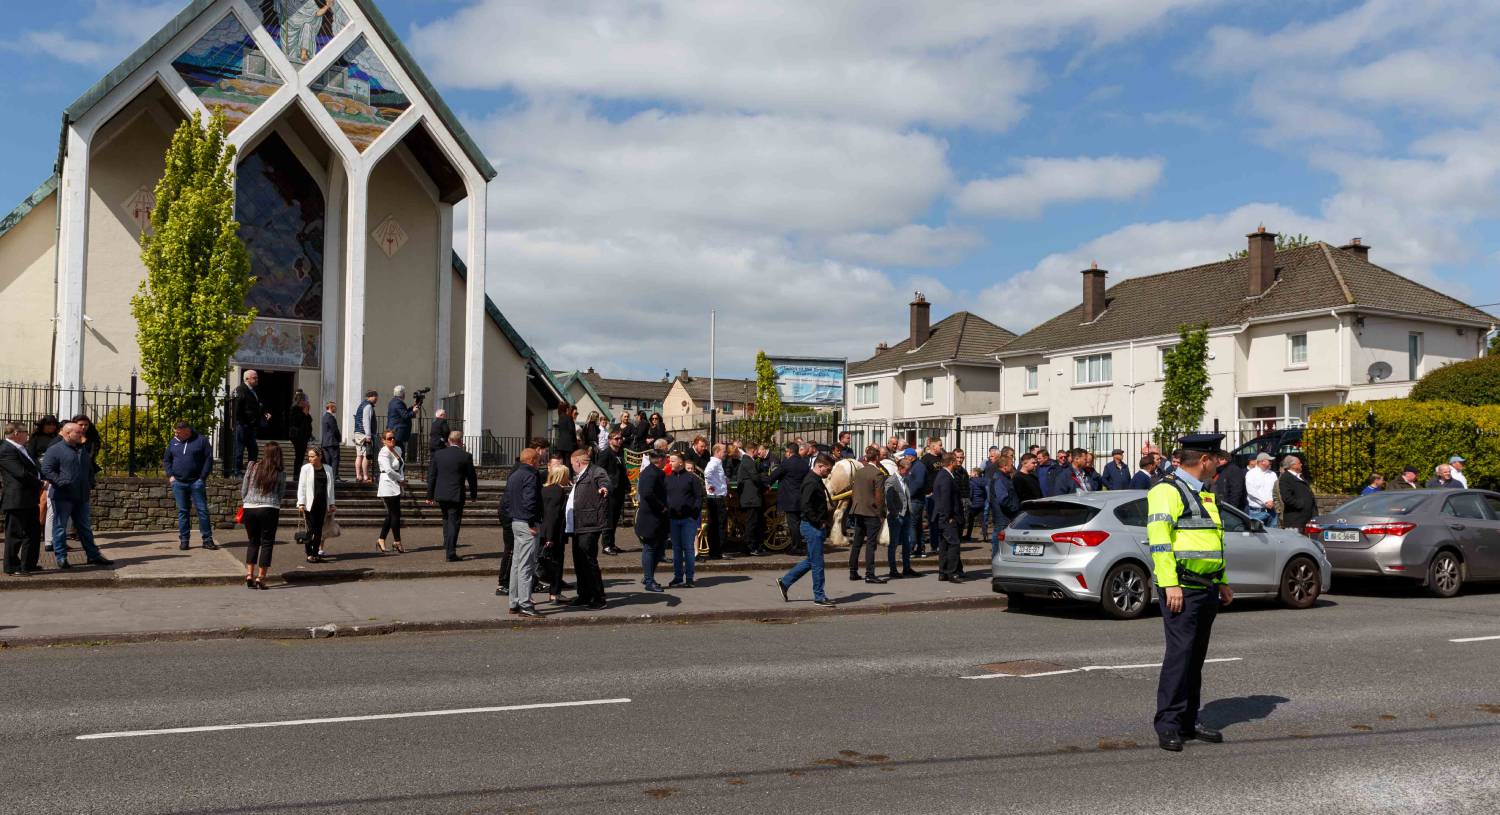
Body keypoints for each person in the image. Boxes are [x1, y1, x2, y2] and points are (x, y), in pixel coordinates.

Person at [1147, 433, 1233, 753]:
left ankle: (1188, 720)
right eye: (1216, 459)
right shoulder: (1167, 490)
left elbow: (1212, 541)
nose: (1218, 464)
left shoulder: (1204, 492)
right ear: (1205, 460)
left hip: (1207, 586)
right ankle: (1168, 723)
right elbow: (1159, 540)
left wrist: (1222, 580)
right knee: (1179, 657)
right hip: (1182, 587)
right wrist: (1170, 583)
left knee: (1195, 658)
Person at [40, 422, 112, 569]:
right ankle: (61, 557)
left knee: (85, 527)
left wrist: (90, 482)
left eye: (82, 432)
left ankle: (93, 556)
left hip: (81, 495)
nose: (82, 435)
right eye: (78, 433)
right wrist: (61, 482)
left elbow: (89, 469)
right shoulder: (55, 449)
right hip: (62, 496)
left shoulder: (82, 450)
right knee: (60, 527)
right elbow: (46, 470)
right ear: (67, 433)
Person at [774, 453, 837, 608]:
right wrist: (819, 522)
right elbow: (806, 506)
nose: (829, 473)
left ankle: (785, 582)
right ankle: (819, 596)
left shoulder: (814, 480)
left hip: (813, 526)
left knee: (811, 561)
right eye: (828, 470)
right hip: (813, 526)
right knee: (817, 564)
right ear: (820, 466)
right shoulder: (811, 482)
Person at [163, 421, 216, 551]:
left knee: (202, 511)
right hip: (179, 483)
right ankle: (184, 540)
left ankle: (207, 540)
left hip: (196, 482)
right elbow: (167, 459)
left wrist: (202, 478)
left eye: (178, 432)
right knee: (183, 512)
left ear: (187, 431)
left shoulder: (201, 441)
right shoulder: (174, 441)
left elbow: (208, 459)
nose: (175, 434)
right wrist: (170, 476)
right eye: (175, 432)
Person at [426, 431, 478, 562]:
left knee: (445, 519)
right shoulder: (466, 456)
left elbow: (431, 476)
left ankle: (447, 544)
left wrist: (429, 495)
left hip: (441, 493)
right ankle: (450, 552)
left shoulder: (438, 454)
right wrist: (473, 494)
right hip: (456, 494)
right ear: (461, 441)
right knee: (454, 522)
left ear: (449, 441)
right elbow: (472, 477)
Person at [567, 448, 610, 609]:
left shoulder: (595, 471)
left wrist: (604, 488)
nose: (571, 467)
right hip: (578, 525)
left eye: (572, 464)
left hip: (590, 524)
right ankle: (584, 594)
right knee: (579, 561)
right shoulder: (580, 475)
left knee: (589, 561)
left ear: (578, 462)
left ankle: (599, 597)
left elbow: (605, 482)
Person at [503, 448, 544, 616]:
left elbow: (506, 501)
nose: (539, 463)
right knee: (526, 566)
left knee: (516, 564)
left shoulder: (514, 475)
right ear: (533, 460)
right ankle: (526, 604)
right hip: (527, 523)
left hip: (515, 522)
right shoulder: (531, 475)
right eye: (538, 460)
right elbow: (530, 501)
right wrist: (531, 522)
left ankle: (514, 602)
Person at [240, 442, 285, 590]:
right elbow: (280, 494)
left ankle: (249, 575)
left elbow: (244, 488)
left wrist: (247, 500)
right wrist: (274, 503)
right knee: (267, 543)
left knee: (253, 541)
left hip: (250, 507)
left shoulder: (252, 466)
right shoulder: (280, 472)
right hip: (269, 508)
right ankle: (261, 578)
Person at [2, 421, 44, 576]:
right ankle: (11, 567)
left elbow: (34, 467)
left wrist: (42, 478)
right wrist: (40, 483)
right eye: (25, 431)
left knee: (33, 533)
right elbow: (20, 473)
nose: (28, 434)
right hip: (16, 499)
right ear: (16, 433)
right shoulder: (6, 449)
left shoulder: (22, 448)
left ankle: (28, 564)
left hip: (29, 498)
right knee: (15, 535)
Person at [847, 446, 888, 584]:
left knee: (857, 543)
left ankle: (853, 571)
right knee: (871, 544)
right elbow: (879, 496)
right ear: (876, 458)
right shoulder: (878, 474)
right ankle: (870, 574)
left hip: (858, 510)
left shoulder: (859, 472)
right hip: (871, 512)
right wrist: (881, 513)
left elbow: (854, 492)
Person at [664, 452, 702, 588]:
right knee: (676, 549)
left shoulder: (692, 478)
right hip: (673, 519)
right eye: (670, 461)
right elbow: (665, 496)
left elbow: (698, 497)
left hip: (688, 519)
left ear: (681, 462)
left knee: (689, 549)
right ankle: (678, 576)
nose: (670, 463)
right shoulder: (668, 479)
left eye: (673, 461)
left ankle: (690, 577)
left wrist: (694, 513)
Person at [634, 449, 669, 592]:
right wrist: (661, 507)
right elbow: (647, 493)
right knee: (650, 548)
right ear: (659, 460)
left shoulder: (656, 472)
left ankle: (648, 575)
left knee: (659, 549)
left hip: (659, 518)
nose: (667, 461)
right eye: (665, 459)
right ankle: (649, 580)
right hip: (651, 517)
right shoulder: (650, 473)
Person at [768, 442, 811, 556]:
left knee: (793, 524)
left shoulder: (787, 463)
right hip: (800, 497)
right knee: (798, 523)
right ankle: (799, 545)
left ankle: (796, 547)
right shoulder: (804, 464)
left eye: (786, 452)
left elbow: (774, 476)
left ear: (789, 452)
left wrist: (766, 482)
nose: (785, 454)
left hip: (789, 498)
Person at [538, 463, 572, 603]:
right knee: (556, 563)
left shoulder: (544, 489)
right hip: (554, 534)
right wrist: (551, 537)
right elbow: (553, 516)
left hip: (543, 531)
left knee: (545, 561)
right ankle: (555, 593)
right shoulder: (558, 492)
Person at [295, 447, 337, 563]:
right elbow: (302, 486)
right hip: (309, 504)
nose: (310, 458)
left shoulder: (328, 469)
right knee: (311, 529)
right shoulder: (306, 469)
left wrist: (332, 503)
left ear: (320, 456)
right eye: (309, 456)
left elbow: (331, 487)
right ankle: (309, 553)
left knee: (319, 530)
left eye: (313, 456)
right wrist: (301, 503)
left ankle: (315, 553)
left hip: (322, 503)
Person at [596, 428, 629, 556]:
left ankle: (612, 543)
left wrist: (626, 485)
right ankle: (606, 545)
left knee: (615, 519)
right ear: (610, 440)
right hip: (610, 490)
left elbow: (622, 471)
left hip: (619, 490)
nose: (619, 440)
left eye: (620, 438)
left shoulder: (620, 453)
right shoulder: (606, 453)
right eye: (616, 439)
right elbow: (599, 470)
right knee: (608, 518)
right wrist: (605, 484)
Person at [884, 455, 918, 579]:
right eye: (907, 470)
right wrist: (895, 513)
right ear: (900, 468)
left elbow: (907, 495)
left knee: (907, 543)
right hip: (897, 516)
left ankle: (906, 568)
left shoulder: (906, 478)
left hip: (907, 514)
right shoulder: (891, 480)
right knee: (893, 543)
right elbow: (889, 499)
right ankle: (893, 569)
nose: (908, 472)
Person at [932, 452, 964, 582]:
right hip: (947, 517)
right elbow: (945, 499)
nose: (958, 461)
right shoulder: (945, 477)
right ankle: (952, 572)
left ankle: (943, 572)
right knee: (953, 544)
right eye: (956, 459)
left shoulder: (944, 475)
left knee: (945, 544)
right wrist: (948, 517)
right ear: (951, 462)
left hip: (944, 517)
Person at [233, 370, 270, 475]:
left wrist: (263, 414)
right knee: (239, 450)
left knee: (253, 450)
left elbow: (255, 407)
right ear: (247, 379)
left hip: (251, 426)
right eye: (254, 378)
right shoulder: (241, 390)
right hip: (242, 425)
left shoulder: (253, 391)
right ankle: (237, 471)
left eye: (257, 377)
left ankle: (251, 471)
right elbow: (237, 409)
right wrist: (241, 422)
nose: (257, 379)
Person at [376, 430, 406, 554]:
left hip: (396, 484)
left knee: (392, 514)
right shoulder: (383, 452)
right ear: (383, 440)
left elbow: (401, 466)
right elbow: (388, 470)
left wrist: (401, 480)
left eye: (393, 438)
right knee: (395, 514)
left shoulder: (398, 449)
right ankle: (397, 541)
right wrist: (401, 479)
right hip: (387, 484)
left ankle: (381, 539)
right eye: (389, 438)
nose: (392, 440)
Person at [736, 440, 768, 556]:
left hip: (751, 497)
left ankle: (754, 546)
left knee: (754, 522)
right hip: (751, 498)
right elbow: (755, 477)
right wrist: (765, 486)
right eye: (757, 451)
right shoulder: (748, 462)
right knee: (751, 523)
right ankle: (749, 547)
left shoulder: (747, 461)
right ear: (753, 450)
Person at [987, 454, 1020, 557]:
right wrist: (1014, 508)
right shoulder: (999, 479)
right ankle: (996, 561)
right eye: (1011, 464)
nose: (1013, 466)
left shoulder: (1004, 477)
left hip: (1005, 514)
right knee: (999, 539)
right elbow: (1003, 499)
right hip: (1003, 515)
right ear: (1005, 466)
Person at [701, 442, 729, 561]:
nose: (725, 453)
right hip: (716, 498)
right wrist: (711, 486)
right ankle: (718, 551)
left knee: (715, 525)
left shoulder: (717, 463)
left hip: (716, 497)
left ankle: (715, 551)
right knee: (720, 525)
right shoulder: (714, 463)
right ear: (717, 452)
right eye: (724, 451)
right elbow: (707, 474)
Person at [1278, 456, 1317, 533]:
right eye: (1299, 463)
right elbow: (1287, 498)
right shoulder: (1286, 477)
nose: (1301, 464)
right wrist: (1301, 505)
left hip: (1306, 518)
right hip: (1295, 520)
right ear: (1293, 466)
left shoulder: (1300, 476)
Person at [1244, 453, 1278, 528]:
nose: (1271, 462)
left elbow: (1276, 490)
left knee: (1274, 535)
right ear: (1262, 462)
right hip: (1256, 512)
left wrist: (1272, 501)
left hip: (1272, 511)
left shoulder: (1273, 474)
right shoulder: (1251, 474)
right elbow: (1252, 491)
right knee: (1257, 536)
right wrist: (1265, 502)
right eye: (1269, 460)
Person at [352, 390, 378, 484]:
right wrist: (368, 435)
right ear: (371, 396)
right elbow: (366, 421)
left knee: (359, 455)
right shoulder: (368, 406)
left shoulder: (362, 405)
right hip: (363, 434)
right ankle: (366, 476)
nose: (376, 399)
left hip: (358, 433)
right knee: (366, 455)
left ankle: (358, 475)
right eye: (375, 397)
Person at [387, 386, 417, 461]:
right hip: (398, 432)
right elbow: (405, 416)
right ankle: (400, 469)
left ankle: (400, 469)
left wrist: (411, 408)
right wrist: (414, 412)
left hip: (395, 430)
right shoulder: (398, 403)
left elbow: (403, 412)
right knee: (399, 451)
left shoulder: (394, 401)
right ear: (402, 394)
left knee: (398, 450)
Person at [287, 392, 312, 467]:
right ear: (301, 401)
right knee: (299, 455)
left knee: (301, 455)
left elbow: (309, 420)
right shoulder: (294, 409)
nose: (307, 402)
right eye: (305, 400)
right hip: (297, 435)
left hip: (304, 436)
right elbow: (295, 421)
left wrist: (306, 413)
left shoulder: (304, 410)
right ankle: (296, 474)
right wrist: (304, 413)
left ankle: (298, 473)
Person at [320, 401, 342, 481]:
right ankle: (334, 476)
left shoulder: (324, 417)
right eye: (334, 407)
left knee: (328, 460)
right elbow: (334, 430)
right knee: (335, 459)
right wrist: (339, 438)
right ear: (331, 407)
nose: (335, 409)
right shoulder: (330, 417)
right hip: (332, 442)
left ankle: (328, 476)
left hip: (325, 443)